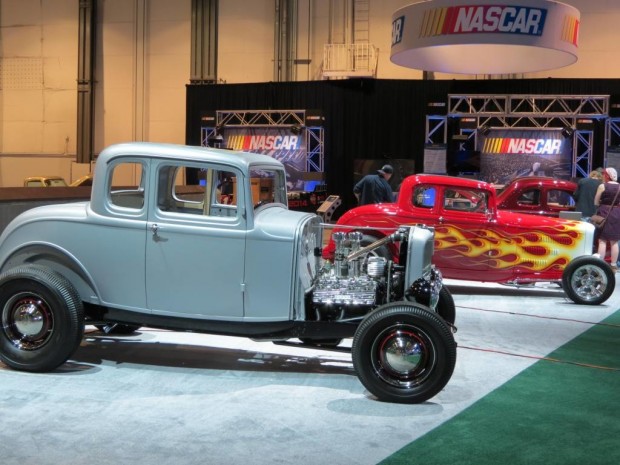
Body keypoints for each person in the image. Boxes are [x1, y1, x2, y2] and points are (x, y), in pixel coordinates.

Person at [593, 167, 620, 272]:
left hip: (604, 212)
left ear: (607, 176)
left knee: (602, 240)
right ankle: (613, 265)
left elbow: (595, 202)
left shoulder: (602, 186)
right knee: (614, 241)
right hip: (617, 214)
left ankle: (600, 264)